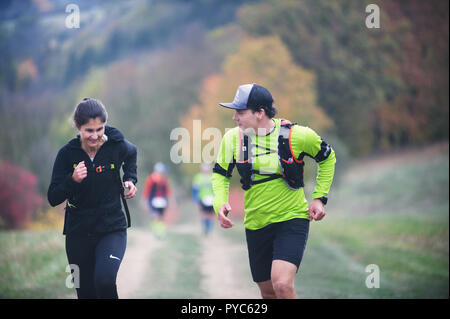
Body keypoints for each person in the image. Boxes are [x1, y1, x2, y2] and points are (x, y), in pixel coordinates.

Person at [212, 83, 336, 299]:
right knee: (268, 292)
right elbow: (221, 174)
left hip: (291, 218)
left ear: (260, 112)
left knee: (282, 285)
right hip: (256, 223)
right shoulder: (232, 139)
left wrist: (319, 198)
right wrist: (220, 202)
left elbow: (327, 157)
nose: (235, 118)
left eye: (240, 112)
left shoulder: (297, 135)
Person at [47, 97, 138, 299]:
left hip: (112, 229)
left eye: (100, 129)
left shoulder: (116, 145)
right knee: (86, 293)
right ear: (78, 126)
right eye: (89, 130)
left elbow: (132, 153)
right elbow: (53, 197)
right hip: (78, 233)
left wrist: (130, 179)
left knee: (104, 281)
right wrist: (72, 180)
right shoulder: (67, 154)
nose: (95, 136)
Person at [142, 162, 171, 238]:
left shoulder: (164, 180)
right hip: (153, 201)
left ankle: (160, 232)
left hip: (162, 201)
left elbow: (167, 192)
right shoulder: (151, 179)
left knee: (161, 218)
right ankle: (156, 232)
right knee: (155, 216)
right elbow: (147, 191)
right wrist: (145, 202)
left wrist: (170, 201)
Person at [192, 163, 215, 235]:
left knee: (211, 215)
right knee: (204, 214)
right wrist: (196, 200)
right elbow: (195, 190)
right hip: (202, 198)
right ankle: (206, 229)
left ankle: (209, 230)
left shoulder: (213, 177)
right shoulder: (198, 177)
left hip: (211, 199)